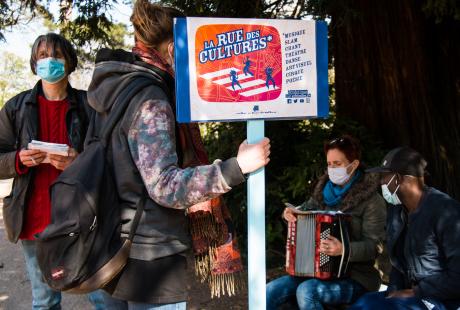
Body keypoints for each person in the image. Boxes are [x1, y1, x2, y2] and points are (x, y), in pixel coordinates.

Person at [86, 1, 270, 309]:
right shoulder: (151, 98)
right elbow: (164, 184)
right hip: (148, 253)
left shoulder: (115, 87)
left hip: (108, 241)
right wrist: (235, 168)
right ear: (173, 48)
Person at [0, 33, 105, 309]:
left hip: (84, 221)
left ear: (70, 62)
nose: (50, 61)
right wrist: (18, 159)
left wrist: (78, 161)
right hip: (35, 223)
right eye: (44, 56)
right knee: (44, 301)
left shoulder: (90, 106)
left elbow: (108, 157)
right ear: (35, 63)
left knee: (103, 298)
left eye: (57, 56)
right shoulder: (16, 107)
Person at [266, 135, 387, 310]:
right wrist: (291, 214)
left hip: (357, 278)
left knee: (307, 291)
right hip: (316, 273)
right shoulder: (323, 193)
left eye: (337, 164)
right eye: (329, 164)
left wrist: (344, 249)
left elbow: (375, 247)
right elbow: (304, 211)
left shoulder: (372, 202)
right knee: (270, 291)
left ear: (353, 165)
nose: (331, 169)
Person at [350, 147, 460, 310]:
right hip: (409, 295)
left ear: (398, 178)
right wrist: (394, 290)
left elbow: (457, 277)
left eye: (384, 177)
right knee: (363, 304)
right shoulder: (397, 211)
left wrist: (416, 292)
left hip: (441, 299)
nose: (381, 183)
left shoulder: (445, 211)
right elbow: (398, 264)